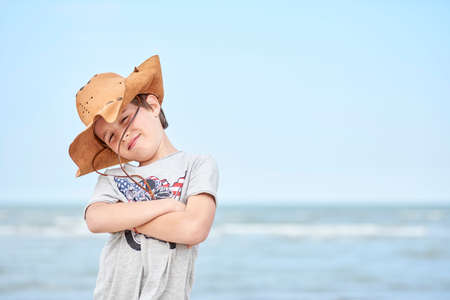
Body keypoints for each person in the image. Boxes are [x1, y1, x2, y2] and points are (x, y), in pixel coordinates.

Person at [68, 54, 219, 299]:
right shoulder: (113, 176)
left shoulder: (197, 165)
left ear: (152, 105)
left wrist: (123, 215)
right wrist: (170, 206)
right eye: (111, 137)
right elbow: (96, 219)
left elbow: (193, 228)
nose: (123, 135)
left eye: (125, 119)